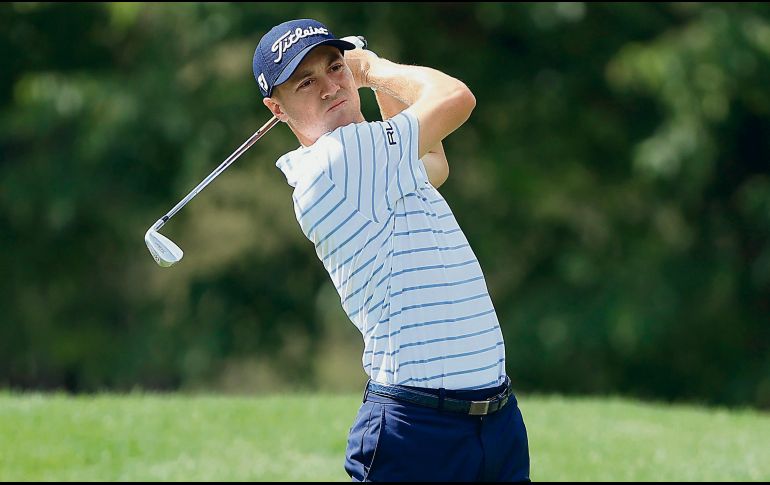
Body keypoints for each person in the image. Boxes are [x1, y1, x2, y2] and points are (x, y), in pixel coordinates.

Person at [253, 18, 530, 482]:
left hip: (494, 421)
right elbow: (455, 97)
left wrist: (367, 81)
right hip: (419, 430)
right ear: (276, 109)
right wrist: (373, 68)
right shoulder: (336, 162)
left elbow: (434, 162)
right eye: (305, 82)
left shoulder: (378, 165)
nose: (328, 87)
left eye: (335, 67)